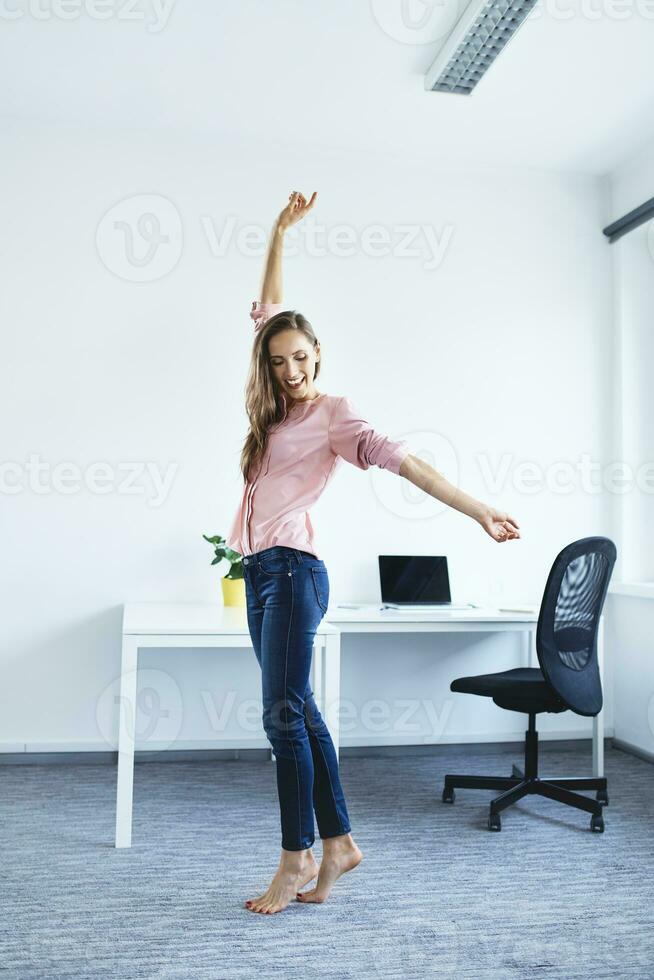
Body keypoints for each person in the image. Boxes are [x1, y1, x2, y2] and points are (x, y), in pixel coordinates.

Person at [227, 191, 521, 915]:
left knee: (281, 717)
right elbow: (267, 307)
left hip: (296, 572)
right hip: (262, 574)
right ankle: (340, 846)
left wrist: (476, 506)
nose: (291, 368)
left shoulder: (335, 416)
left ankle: (293, 859)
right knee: (300, 713)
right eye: (279, 360)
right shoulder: (271, 411)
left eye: (301, 357)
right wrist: (276, 233)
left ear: (319, 354)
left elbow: (404, 462)